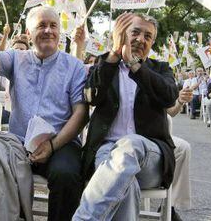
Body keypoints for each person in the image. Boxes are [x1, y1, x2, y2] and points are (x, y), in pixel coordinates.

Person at [0, 0, 88, 220]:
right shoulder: (16, 58)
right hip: (18, 144)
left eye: (53, 25)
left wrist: (52, 146)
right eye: (41, 25)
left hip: (60, 145)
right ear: (28, 32)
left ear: (60, 31)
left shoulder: (74, 66)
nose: (48, 30)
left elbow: (81, 114)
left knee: (66, 175)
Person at [73, 12, 178, 220]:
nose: (140, 39)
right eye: (135, 32)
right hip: (107, 152)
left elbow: (169, 98)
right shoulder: (104, 66)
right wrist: (113, 54)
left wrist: (135, 66)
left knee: (130, 145)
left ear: (152, 43)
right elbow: (91, 97)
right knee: (125, 185)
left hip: (150, 156)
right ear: (121, 34)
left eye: (148, 36)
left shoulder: (160, 69)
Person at [166, 87, 193, 221]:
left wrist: (180, 101)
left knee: (183, 147)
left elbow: (170, 111)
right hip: (120, 134)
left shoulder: (155, 71)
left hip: (151, 134)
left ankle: (169, 206)